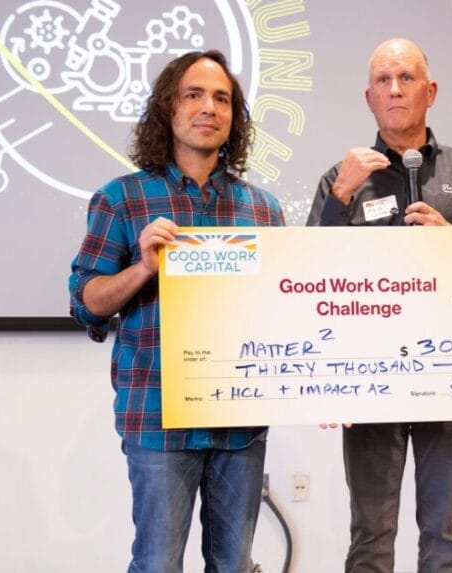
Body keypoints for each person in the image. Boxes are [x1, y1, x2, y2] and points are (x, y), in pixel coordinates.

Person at [306, 38, 452, 572]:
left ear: (431, 91)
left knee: (444, 538)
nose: (395, 89)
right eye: (383, 80)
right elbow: (308, 273)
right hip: (367, 380)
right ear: (368, 97)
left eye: (406, 78)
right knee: (371, 536)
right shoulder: (342, 180)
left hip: (450, 376)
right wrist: (340, 199)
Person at [68, 50, 284, 572]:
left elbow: (282, 309)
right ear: (168, 109)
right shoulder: (122, 200)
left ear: (234, 118)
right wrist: (143, 267)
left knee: (234, 564)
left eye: (222, 98)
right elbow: (86, 304)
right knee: (158, 564)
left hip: (240, 421)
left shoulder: (263, 209)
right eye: (193, 94)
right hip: (158, 419)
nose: (208, 107)